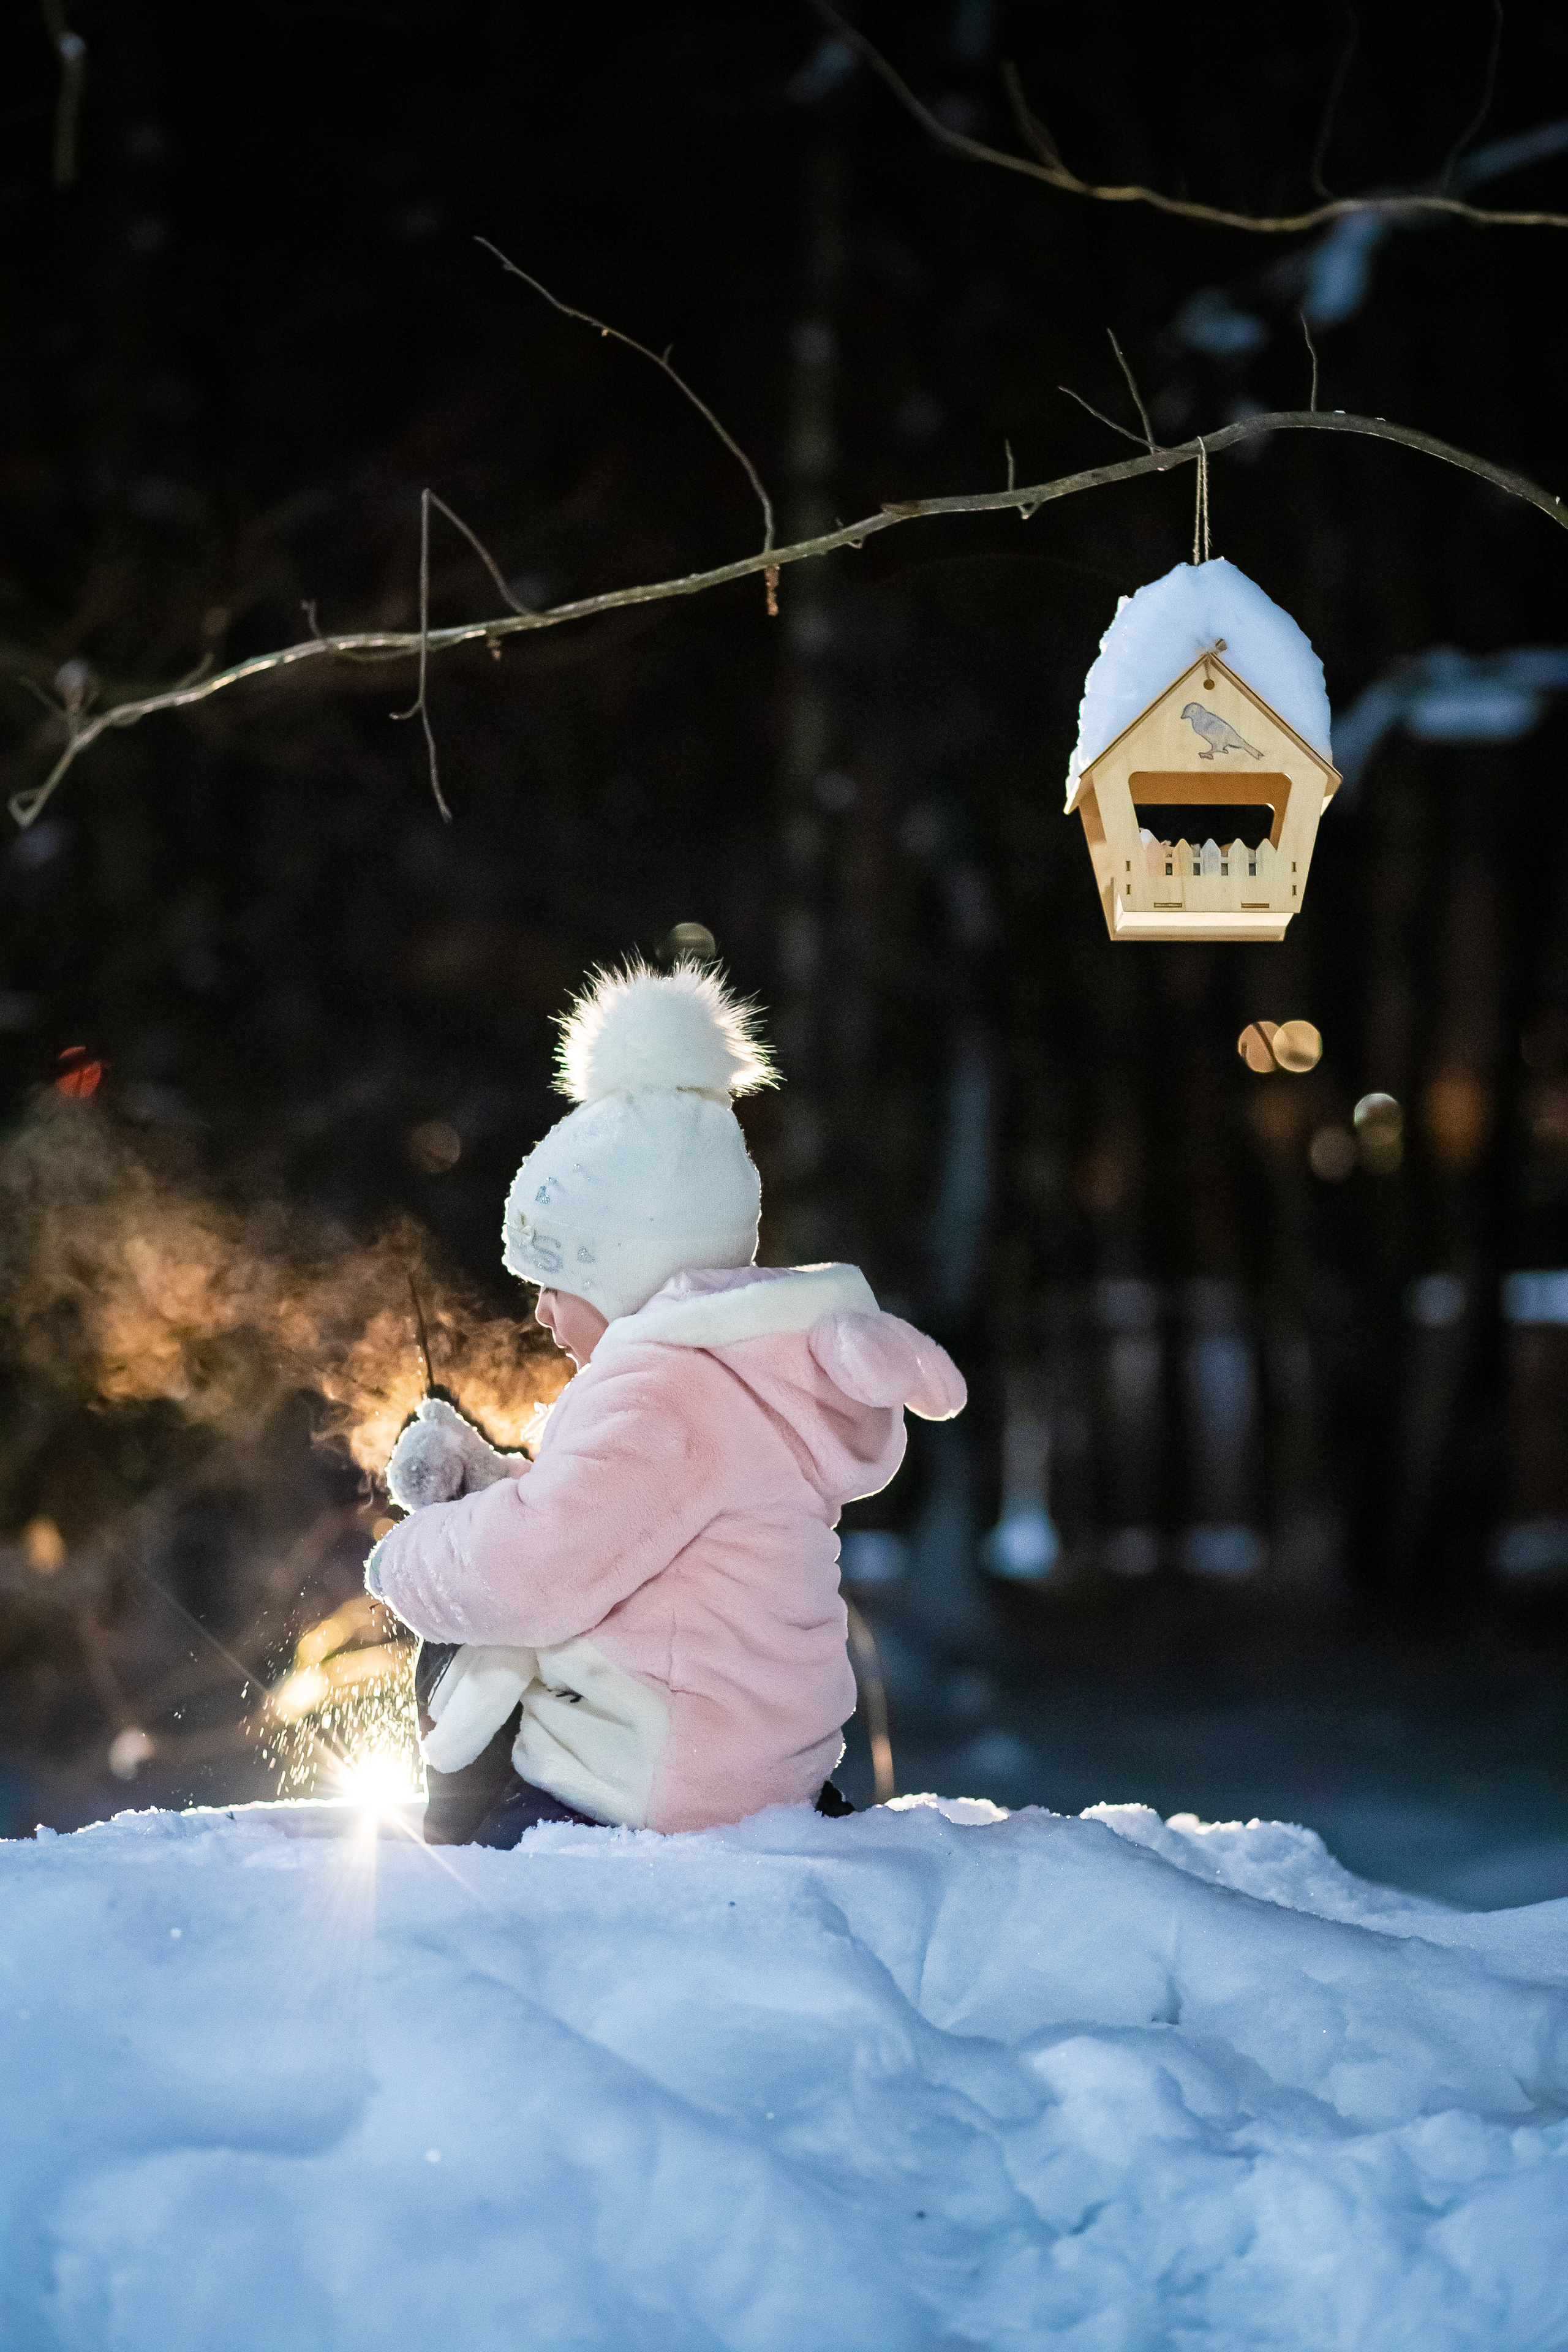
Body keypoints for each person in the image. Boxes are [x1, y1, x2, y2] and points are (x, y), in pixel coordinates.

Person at [367, 958, 965, 1844]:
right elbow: (620, 1526)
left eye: (555, 1281)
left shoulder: (664, 1395)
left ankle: (473, 1846)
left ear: (622, 1272)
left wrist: (409, 1556)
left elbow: (535, 1570)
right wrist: (490, 1481)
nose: (539, 1311)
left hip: (652, 1781)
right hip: (754, 1757)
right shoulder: (739, 1368)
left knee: (470, 1631)